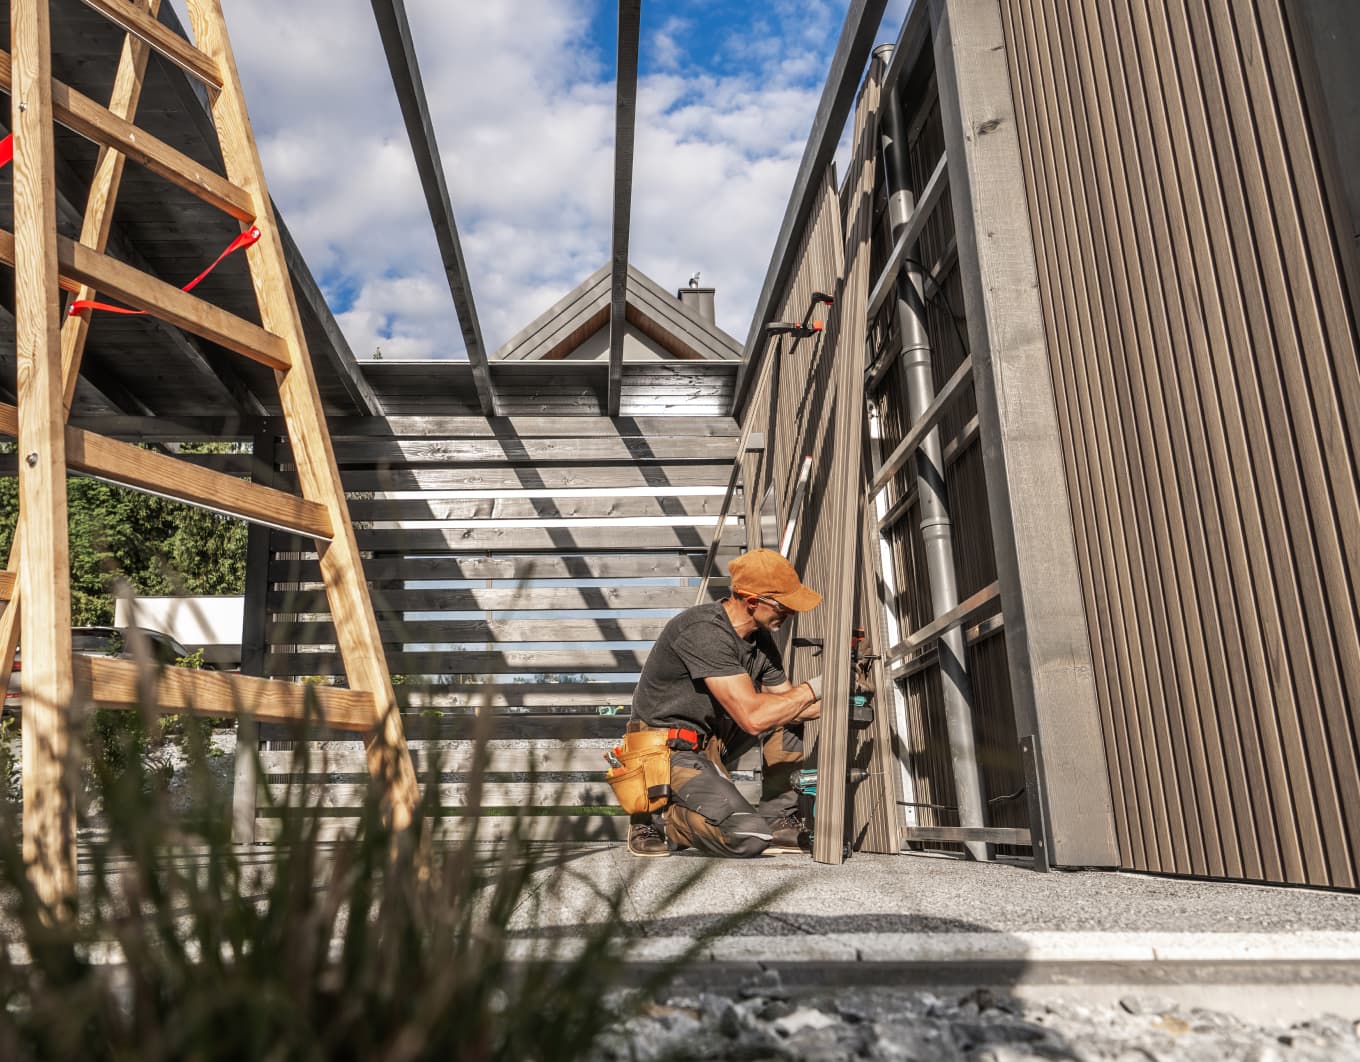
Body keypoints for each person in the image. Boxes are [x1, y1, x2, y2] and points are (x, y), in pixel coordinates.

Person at [623, 549, 823, 858]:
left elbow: (790, 703)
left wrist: (839, 696)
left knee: (787, 712)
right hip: (664, 753)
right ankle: (657, 816)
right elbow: (753, 719)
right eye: (784, 605)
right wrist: (814, 687)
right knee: (746, 836)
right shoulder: (703, 631)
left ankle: (778, 818)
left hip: (710, 745)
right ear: (752, 601)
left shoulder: (760, 640)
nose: (791, 613)